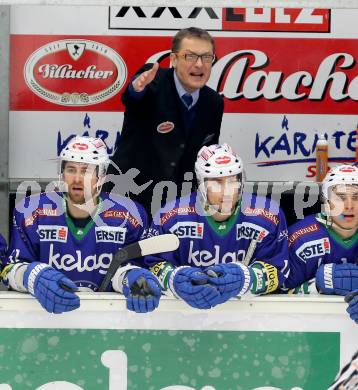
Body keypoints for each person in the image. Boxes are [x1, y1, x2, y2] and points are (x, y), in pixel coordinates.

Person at [1, 136, 161, 314]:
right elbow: (8, 269)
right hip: (42, 320)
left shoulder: (130, 215)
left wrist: (132, 278)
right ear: (61, 174)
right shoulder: (32, 211)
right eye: (71, 169)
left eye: (86, 171)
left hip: (109, 322)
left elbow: (143, 268)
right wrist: (32, 275)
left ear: (102, 176)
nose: (77, 179)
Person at [144, 143, 290, 309]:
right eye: (217, 182)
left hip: (248, 317)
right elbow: (150, 266)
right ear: (201, 183)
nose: (227, 191)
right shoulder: (169, 217)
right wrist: (174, 279)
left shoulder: (268, 215)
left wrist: (246, 278)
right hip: (183, 317)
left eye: (233, 180)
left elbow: (280, 271)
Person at [105, 27, 224, 217]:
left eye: (207, 57)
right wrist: (137, 88)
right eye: (190, 56)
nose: (200, 64)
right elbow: (134, 96)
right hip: (129, 200)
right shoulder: (153, 81)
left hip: (178, 208)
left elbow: (206, 159)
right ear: (174, 59)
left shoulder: (214, 102)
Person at [286, 164, 358, 295]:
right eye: (340, 198)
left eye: (356, 197)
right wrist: (317, 286)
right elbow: (277, 295)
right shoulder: (301, 239)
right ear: (326, 201)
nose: (349, 206)